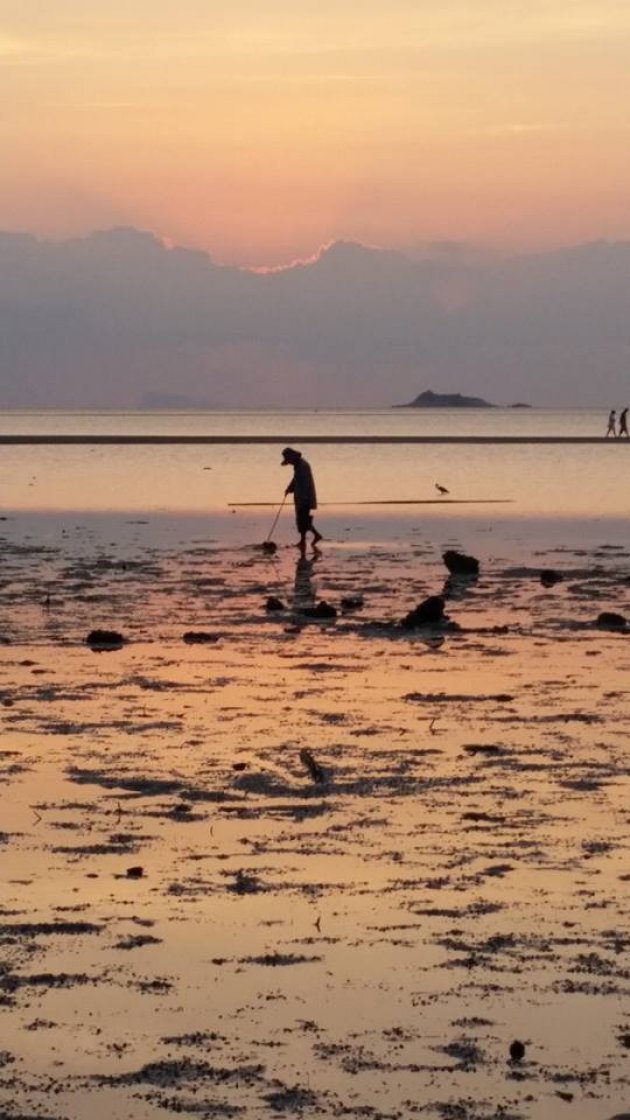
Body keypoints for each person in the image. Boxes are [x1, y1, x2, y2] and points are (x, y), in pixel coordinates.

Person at [281, 447, 322, 550]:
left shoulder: (302, 466)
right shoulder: (298, 465)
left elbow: (304, 484)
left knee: (302, 519)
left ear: (292, 458)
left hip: (305, 498)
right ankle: (314, 536)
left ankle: (304, 540)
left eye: (289, 461)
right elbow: (295, 480)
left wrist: (303, 500)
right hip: (301, 497)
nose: (289, 463)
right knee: (303, 520)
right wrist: (289, 488)